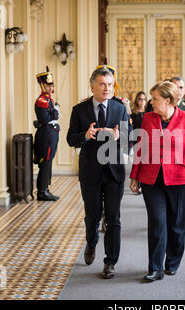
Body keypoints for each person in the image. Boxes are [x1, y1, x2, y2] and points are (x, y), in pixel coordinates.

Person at [130, 81, 185, 281]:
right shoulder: (148, 118)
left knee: (176, 224)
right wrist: (135, 175)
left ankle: (172, 262)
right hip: (151, 179)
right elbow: (141, 147)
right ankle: (155, 267)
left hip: (179, 179)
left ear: (168, 100)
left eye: (155, 99)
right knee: (157, 222)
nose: (151, 102)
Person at [67, 67, 131, 279]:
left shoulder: (120, 108)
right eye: (103, 84)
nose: (107, 88)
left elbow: (129, 138)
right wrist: (85, 135)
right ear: (92, 86)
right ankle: (92, 242)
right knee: (92, 216)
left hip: (114, 172)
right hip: (90, 172)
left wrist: (117, 136)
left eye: (110, 84)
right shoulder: (79, 110)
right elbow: (70, 138)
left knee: (113, 218)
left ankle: (110, 261)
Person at [33, 66, 60, 201]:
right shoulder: (42, 101)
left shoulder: (49, 100)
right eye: (48, 85)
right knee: (45, 163)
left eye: (51, 85)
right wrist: (55, 111)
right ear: (42, 85)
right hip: (46, 135)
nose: (50, 88)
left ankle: (46, 189)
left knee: (49, 162)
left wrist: (54, 111)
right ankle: (42, 191)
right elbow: (47, 119)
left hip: (51, 134)